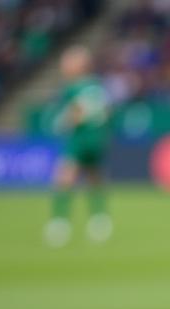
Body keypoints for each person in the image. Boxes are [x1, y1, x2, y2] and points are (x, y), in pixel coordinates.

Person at [44, 46, 112, 247]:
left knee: (63, 178)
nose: (63, 66)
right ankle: (100, 220)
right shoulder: (98, 86)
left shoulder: (74, 87)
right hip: (98, 137)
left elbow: (76, 114)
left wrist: (62, 122)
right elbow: (107, 113)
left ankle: (59, 223)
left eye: (67, 62)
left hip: (80, 138)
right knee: (94, 178)